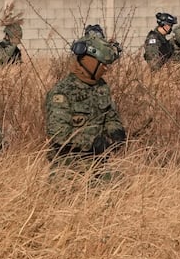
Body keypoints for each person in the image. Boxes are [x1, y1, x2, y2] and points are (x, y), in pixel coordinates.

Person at [45, 32, 126, 178]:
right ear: (90, 62)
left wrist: (115, 132)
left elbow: (110, 117)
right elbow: (59, 135)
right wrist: (93, 141)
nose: (105, 69)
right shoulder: (62, 93)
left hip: (98, 164)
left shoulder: (101, 88)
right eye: (102, 65)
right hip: (68, 168)